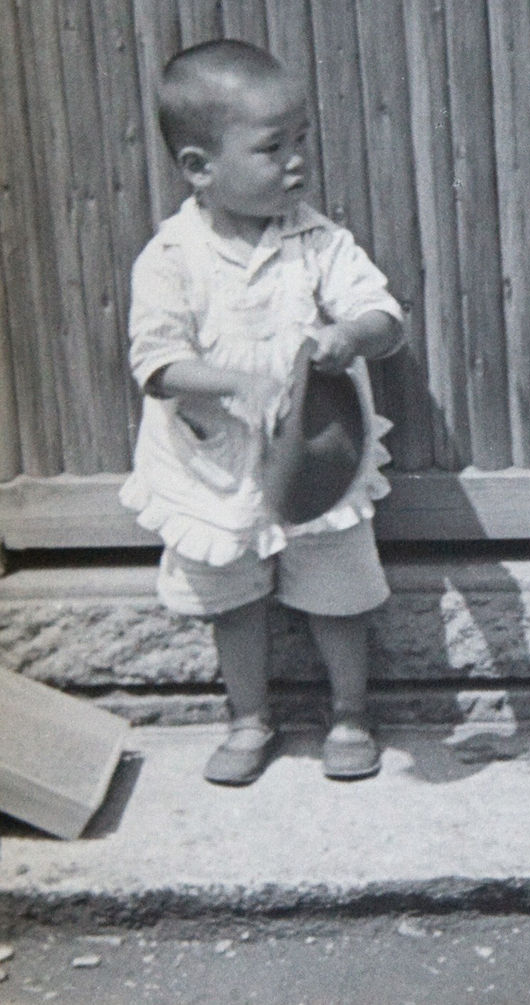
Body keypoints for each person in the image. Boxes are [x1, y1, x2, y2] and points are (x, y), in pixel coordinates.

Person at [120, 40, 405, 786]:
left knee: (336, 588)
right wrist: (236, 383)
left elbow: (384, 314)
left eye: (301, 141)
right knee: (234, 600)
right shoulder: (172, 257)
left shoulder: (317, 241)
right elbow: (156, 365)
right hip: (217, 466)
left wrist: (350, 334)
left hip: (315, 456)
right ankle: (249, 717)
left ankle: (350, 710)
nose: (296, 163)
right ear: (199, 167)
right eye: (272, 147)